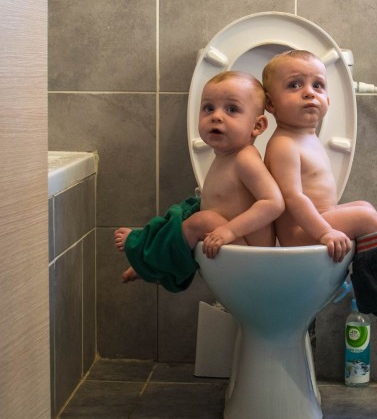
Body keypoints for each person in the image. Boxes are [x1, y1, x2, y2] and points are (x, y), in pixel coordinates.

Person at [262, 49, 377, 327]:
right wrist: (324, 232)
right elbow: (293, 197)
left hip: (317, 221)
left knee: (367, 211)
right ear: (270, 104)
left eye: (318, 85)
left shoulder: (306, 137)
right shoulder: (283, 144)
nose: (309, 92)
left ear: (328, 99)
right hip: (301, 233)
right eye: (294, 85)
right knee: (366, 216)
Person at [114, 71, 284, 292]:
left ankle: (154, 264)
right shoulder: (226, 156)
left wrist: (230, 231)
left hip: (249, 252)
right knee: (186, 211)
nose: (216, 116)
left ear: (257, 126)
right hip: (235, 246)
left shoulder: (245, 159)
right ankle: (154, 265)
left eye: (232, 109)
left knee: (203, 220)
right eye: (208, 108)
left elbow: (273, 203)